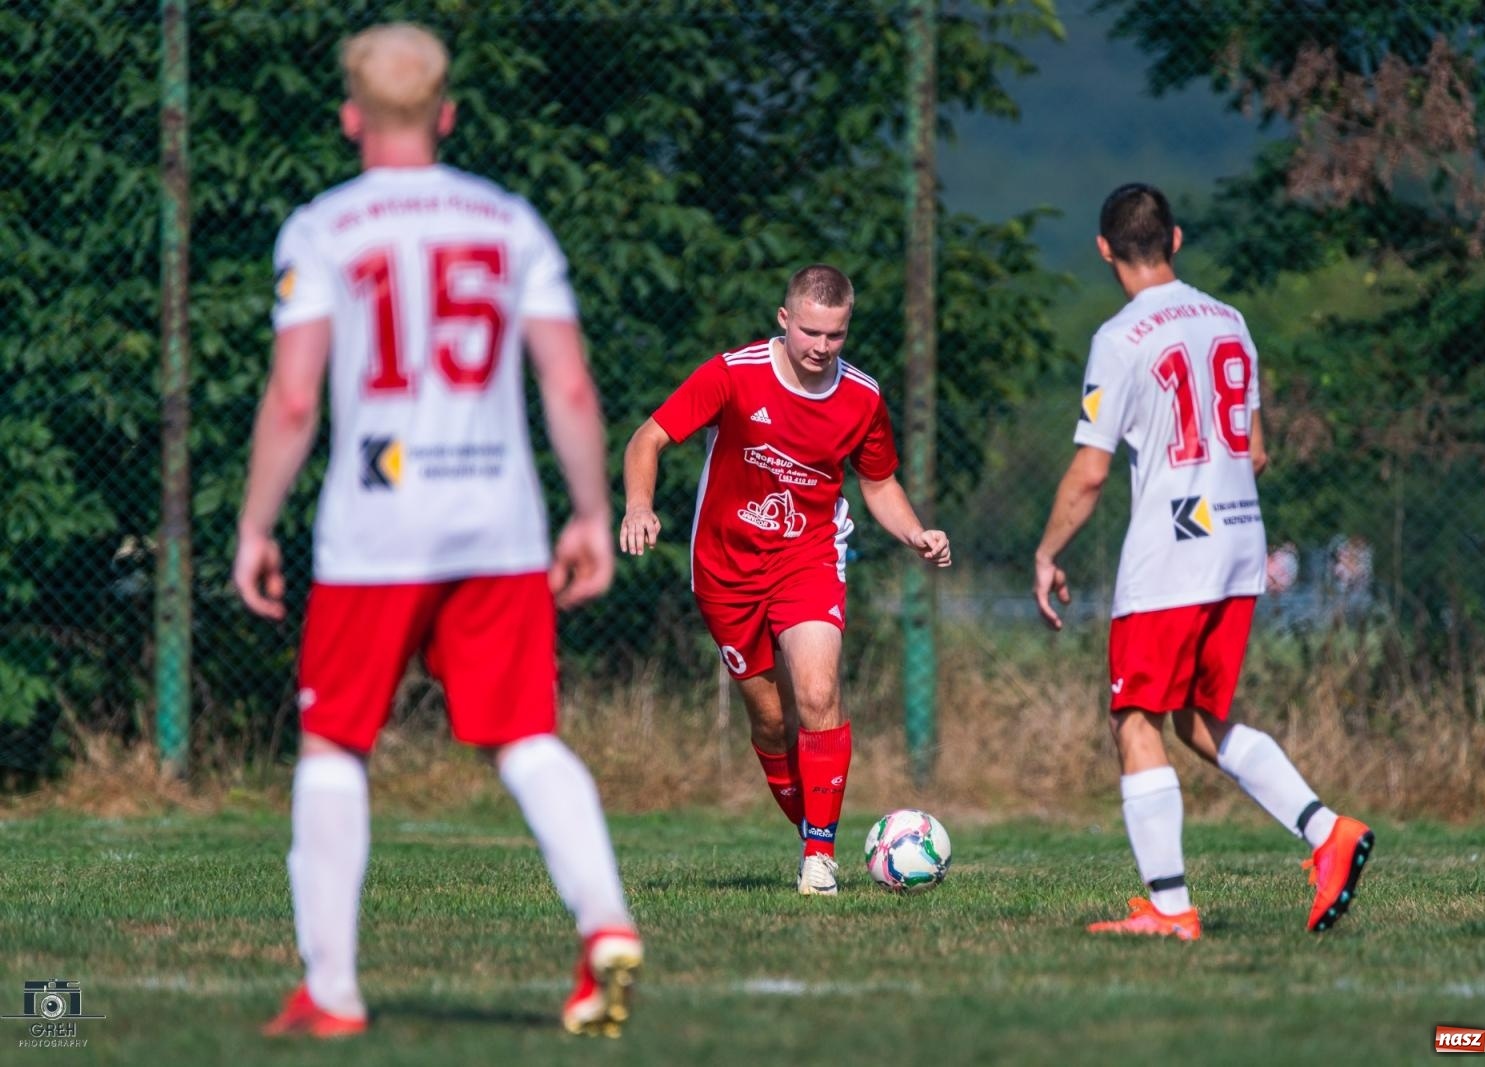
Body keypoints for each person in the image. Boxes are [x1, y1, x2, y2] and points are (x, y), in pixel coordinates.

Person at [232, 23, 641, 1038]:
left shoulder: (323, 226)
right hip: (497, 520)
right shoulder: (508, 221)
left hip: (374, 527)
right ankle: (605, 923)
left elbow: (292, 400)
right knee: (526, 734)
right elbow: (571, 381)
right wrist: (590, 511)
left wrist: (254, 524)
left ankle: (330, 989)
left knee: (334, 741)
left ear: (349, 118)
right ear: (449, 114)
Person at [1032, 184, 1374, 939]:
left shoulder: (1120, 338)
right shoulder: (1231, 321)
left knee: (1134, 715)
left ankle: (1171, 907)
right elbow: (1254, 449)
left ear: (1103, 250)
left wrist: (1048, 550)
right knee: (1198, 715)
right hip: (1241, 540)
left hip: (1173, 552)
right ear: (1176, 240)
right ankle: (1327, 832)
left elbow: (1089, 473)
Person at [619, 265, 951, 895]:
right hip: (726, 570)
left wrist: (915, 533)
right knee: (771, 723)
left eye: (836, 334)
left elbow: (878, 484)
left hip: (810, 558)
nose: (821, 347)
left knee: (820, 694)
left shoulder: (862, 397)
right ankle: (811, 829)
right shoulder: (734, 374)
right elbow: (648, 438)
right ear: (784, 318)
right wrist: (639, 506)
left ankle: (819, 859)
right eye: (810, 332)